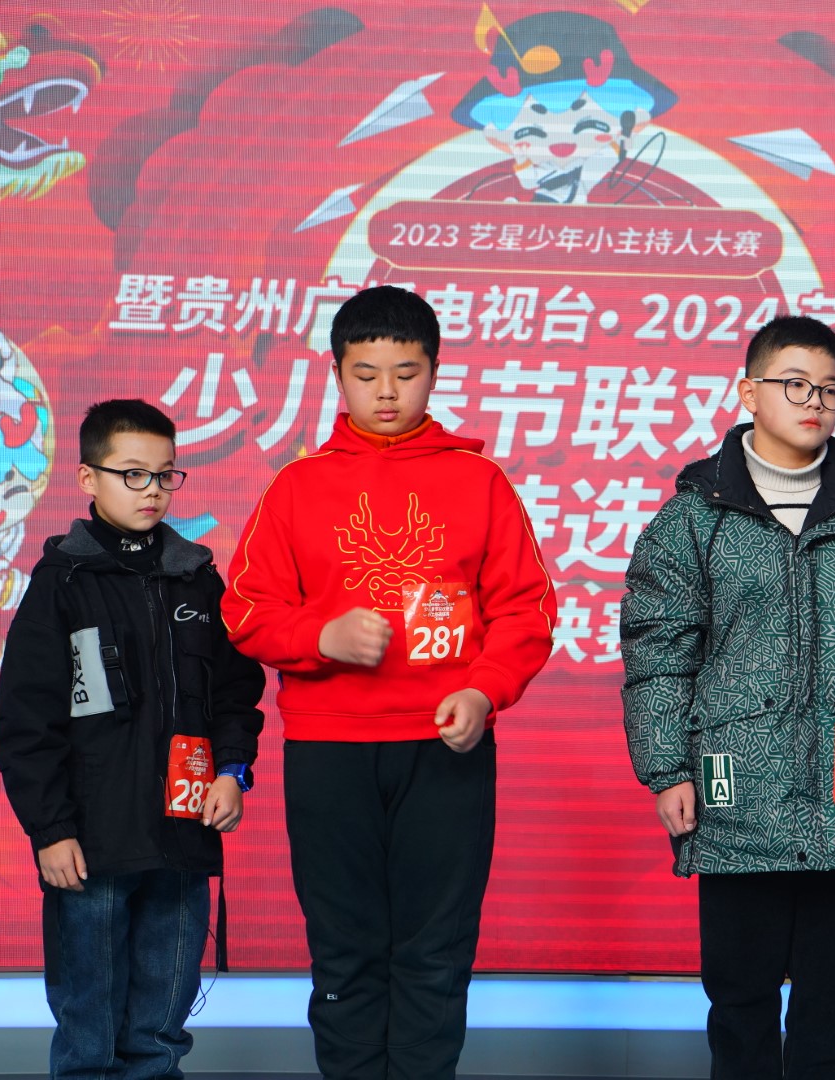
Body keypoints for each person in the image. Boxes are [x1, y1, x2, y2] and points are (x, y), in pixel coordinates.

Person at [222, 285, 556, 1080]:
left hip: (445, 748)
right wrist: (320, 637)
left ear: (433, 372)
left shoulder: (480, 481)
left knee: (435, 948)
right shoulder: (297, 485)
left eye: (405, 374)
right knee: (345, 948)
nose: (385, 392)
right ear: (336, 374)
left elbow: (527, 609)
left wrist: (483, 690)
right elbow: (245, 610)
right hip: (329, 751)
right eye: (365, 374)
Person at [621, 315, 835, 1079]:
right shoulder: (692, 520)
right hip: (736, 796)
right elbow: (658, 654)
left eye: (830, 390)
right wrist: (667, 769)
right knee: (741, 1010)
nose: (815, 402)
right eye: (796, 385)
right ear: (748, 392)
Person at [0, 398, 265, 1079]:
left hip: (182, 839)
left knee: (160, 1032)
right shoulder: (61, 583)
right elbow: (24, 723)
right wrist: (51, 830)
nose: (153, 491)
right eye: (133, 474)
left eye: (165, 475)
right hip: (92, 847)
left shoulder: (198, 579)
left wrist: (233, 770)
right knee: (89, 1030)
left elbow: (236, 694)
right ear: (88, 478)